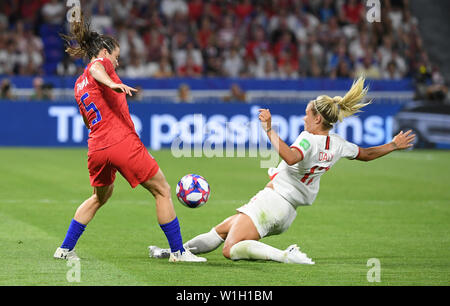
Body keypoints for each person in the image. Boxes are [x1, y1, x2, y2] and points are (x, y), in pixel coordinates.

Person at [149, 77, 416, 264]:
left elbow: (290, 157)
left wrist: (268, 129)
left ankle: (286, 256)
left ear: (317, 118)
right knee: (220, 231)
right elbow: (366, 155)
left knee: (230, 249)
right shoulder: (337, 144)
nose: (303, 118)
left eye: (306, 114)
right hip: (287, 213)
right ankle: (174, 252)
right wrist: (393, 145)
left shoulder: (306, 138)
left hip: (273, 201)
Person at [53, 14, 205, 263]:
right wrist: (112, 84)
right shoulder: (101, 67)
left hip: (96, 147)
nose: (117, 62)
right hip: (121, 141)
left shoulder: (79, 84)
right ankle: (178, 252)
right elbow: (97, 67)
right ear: (104, 51)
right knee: (162, 191)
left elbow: (87, 118)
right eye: (116, 56)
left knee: (99, 197)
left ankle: (65, 248)